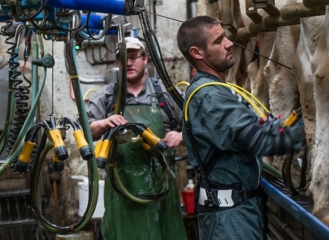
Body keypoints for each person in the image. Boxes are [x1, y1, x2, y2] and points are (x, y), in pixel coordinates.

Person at [176, 16, 304, 239]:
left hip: (237, 211)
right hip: (230, 220)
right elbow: (262, 141)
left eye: (224, 36)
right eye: (218, 41)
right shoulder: (210, 97)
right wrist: (312, 130)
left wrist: (285, 123)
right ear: (197, 53)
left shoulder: (218, 90)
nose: (229, 43)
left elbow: (256, 128)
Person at [87, 36, 187, 240]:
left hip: (161, 183)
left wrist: (181, 135)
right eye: (123, 59)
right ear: (117, 63)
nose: (129, 63)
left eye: (134, 57)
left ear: (145, 59)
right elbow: (87, 131)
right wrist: (105, 123)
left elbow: (197, 128)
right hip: (121, 187)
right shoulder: (107, 96)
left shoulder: (165, 94)